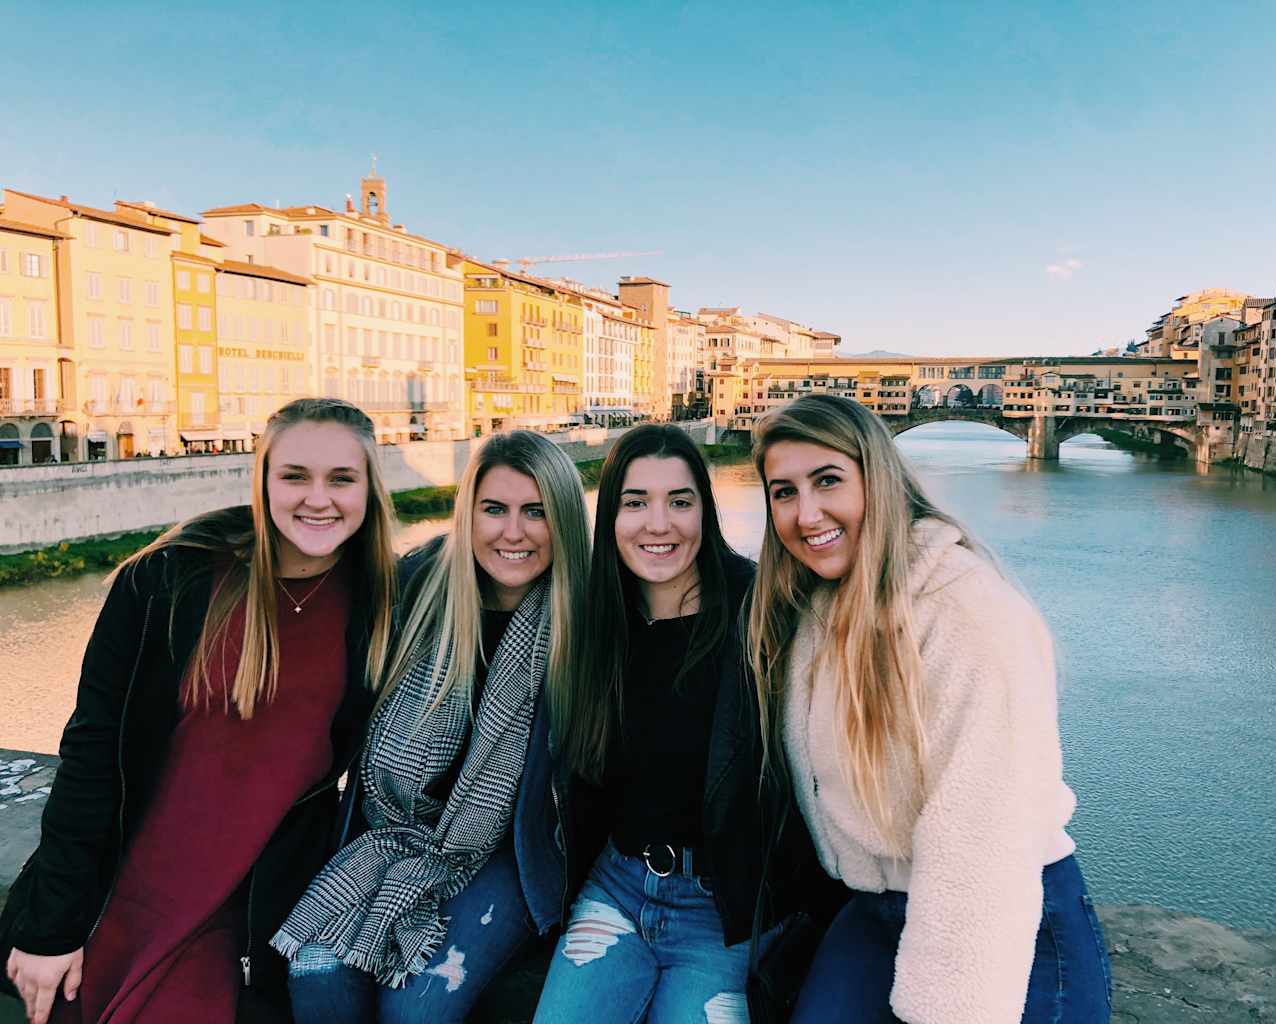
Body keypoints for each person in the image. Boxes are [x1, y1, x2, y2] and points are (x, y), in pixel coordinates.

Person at [1, 397, 397, 1024]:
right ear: (262, 479)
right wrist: (50, 927)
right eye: (295, 476)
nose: (317, 499)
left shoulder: (386, 601)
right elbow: (93, 753)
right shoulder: (168, 579)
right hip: (128, 888)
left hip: (251, 909)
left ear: (371, 489)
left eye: (342, 479)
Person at [747, 394, 1111, 1024]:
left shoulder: (965, 610)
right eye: (784, 492)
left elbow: (983, 835)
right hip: (877, 908)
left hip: (1003, 925)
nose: (806, 514)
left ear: (878, 481)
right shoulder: (817, 604)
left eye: (828, 481)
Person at [277, 430, 590, 1024]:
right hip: (394, 831)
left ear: (566, 520)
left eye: (536, 512)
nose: (513, 533)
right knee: (315, 970)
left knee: (416, 1007)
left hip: (510, 850)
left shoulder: (588, 613)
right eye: (494, 509)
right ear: (468, 512)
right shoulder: (415, 584)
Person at [534, 424, 829, 1024]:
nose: (658, 524)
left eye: (680, 501)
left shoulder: (762, 613)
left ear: (705, 512)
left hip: (721, 912)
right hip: (616, 890)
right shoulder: (597, 617)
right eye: (635, 502)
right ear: (610, 517)